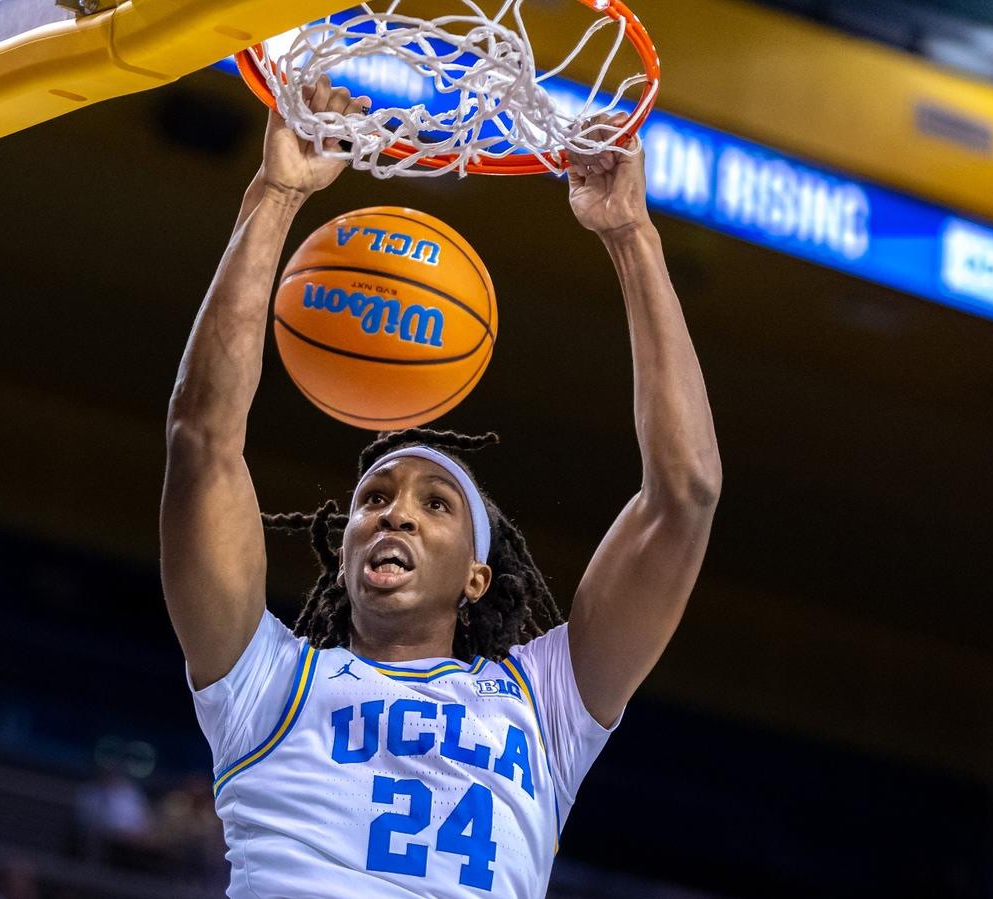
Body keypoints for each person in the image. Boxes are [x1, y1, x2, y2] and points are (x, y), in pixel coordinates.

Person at [160, 77, 720, 897]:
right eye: (374, 497)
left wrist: (631, 234)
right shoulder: (266, 683)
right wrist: (276, 194)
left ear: (476, 576)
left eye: (435, 503)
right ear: (344, 553)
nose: (396, 514)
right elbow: (201, 440)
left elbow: (686, 493)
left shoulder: (543, 703)